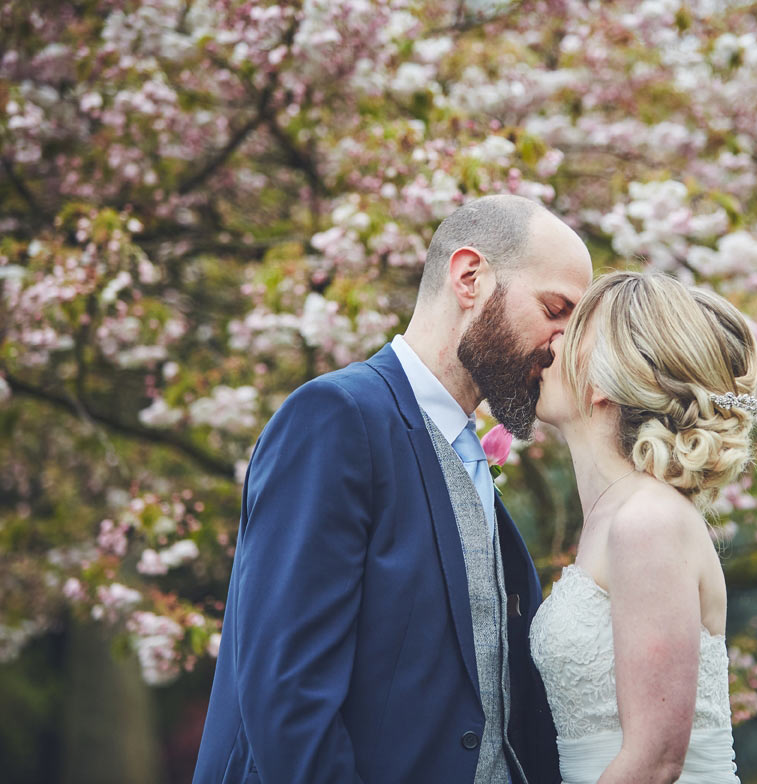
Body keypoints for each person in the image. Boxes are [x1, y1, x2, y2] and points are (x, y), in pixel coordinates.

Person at [193, 194, 593, 784]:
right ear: (470, 277)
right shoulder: (335, 418)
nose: (562, 344)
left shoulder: (470, 455)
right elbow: (288, 696)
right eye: (555, 309)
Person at [530, 271, 757, 784]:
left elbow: (655, 762)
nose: (553, 338)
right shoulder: (616, 518)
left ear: (607, 382)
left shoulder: (647, 522)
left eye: (574, 330)